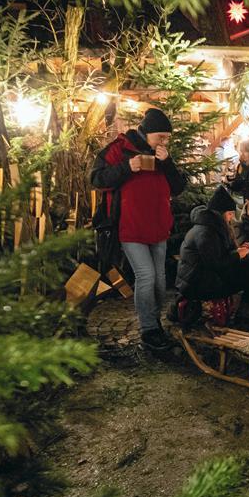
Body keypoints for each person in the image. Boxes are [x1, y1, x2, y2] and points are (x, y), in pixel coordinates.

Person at [90, 107, 188, 352]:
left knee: (160, 279)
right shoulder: (119, 149)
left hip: (158, 227)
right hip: (130, 227)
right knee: (146, 276)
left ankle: (155, 322)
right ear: (147, 132)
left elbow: (177, 188)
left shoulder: (161, 155)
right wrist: (127, 167)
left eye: (167, 137)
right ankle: (148, 329)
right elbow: (96, 179)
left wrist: (167, 164)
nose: (165, 141)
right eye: (161, 136)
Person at [174, 185, 249, 324]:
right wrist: (238, 255)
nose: (231, 218)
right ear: (220, 213)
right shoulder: (206, 232)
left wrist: (239, 250)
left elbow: (221, 255)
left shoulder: (213, 227)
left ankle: (248, 306)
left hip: (207, 275)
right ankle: (245, 310)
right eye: (229, 214)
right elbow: (215, 263)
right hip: (198, 282)